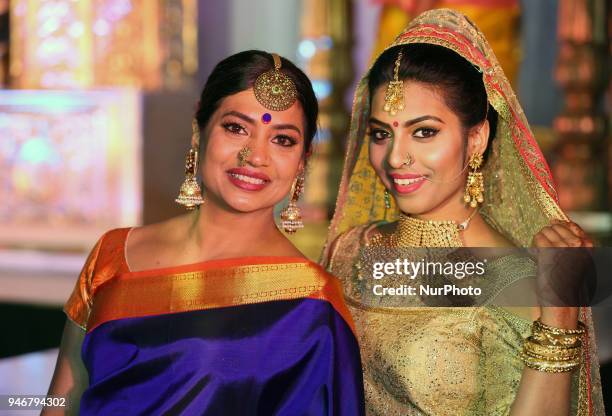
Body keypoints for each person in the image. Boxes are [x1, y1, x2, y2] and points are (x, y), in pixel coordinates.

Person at [45, 50, 365, 415]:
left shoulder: (311, 304)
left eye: (282, 140)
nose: (255, 156)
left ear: (303, 159)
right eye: (236, 128)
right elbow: (63, 401)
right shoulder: (114, 254)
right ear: (199, 132)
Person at [322, 9, 604, 415]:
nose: (396, 157)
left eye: (424, 132)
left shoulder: (516, 279)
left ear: (476, 138)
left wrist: (557, 320)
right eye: (382, 134)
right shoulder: (350, 249)